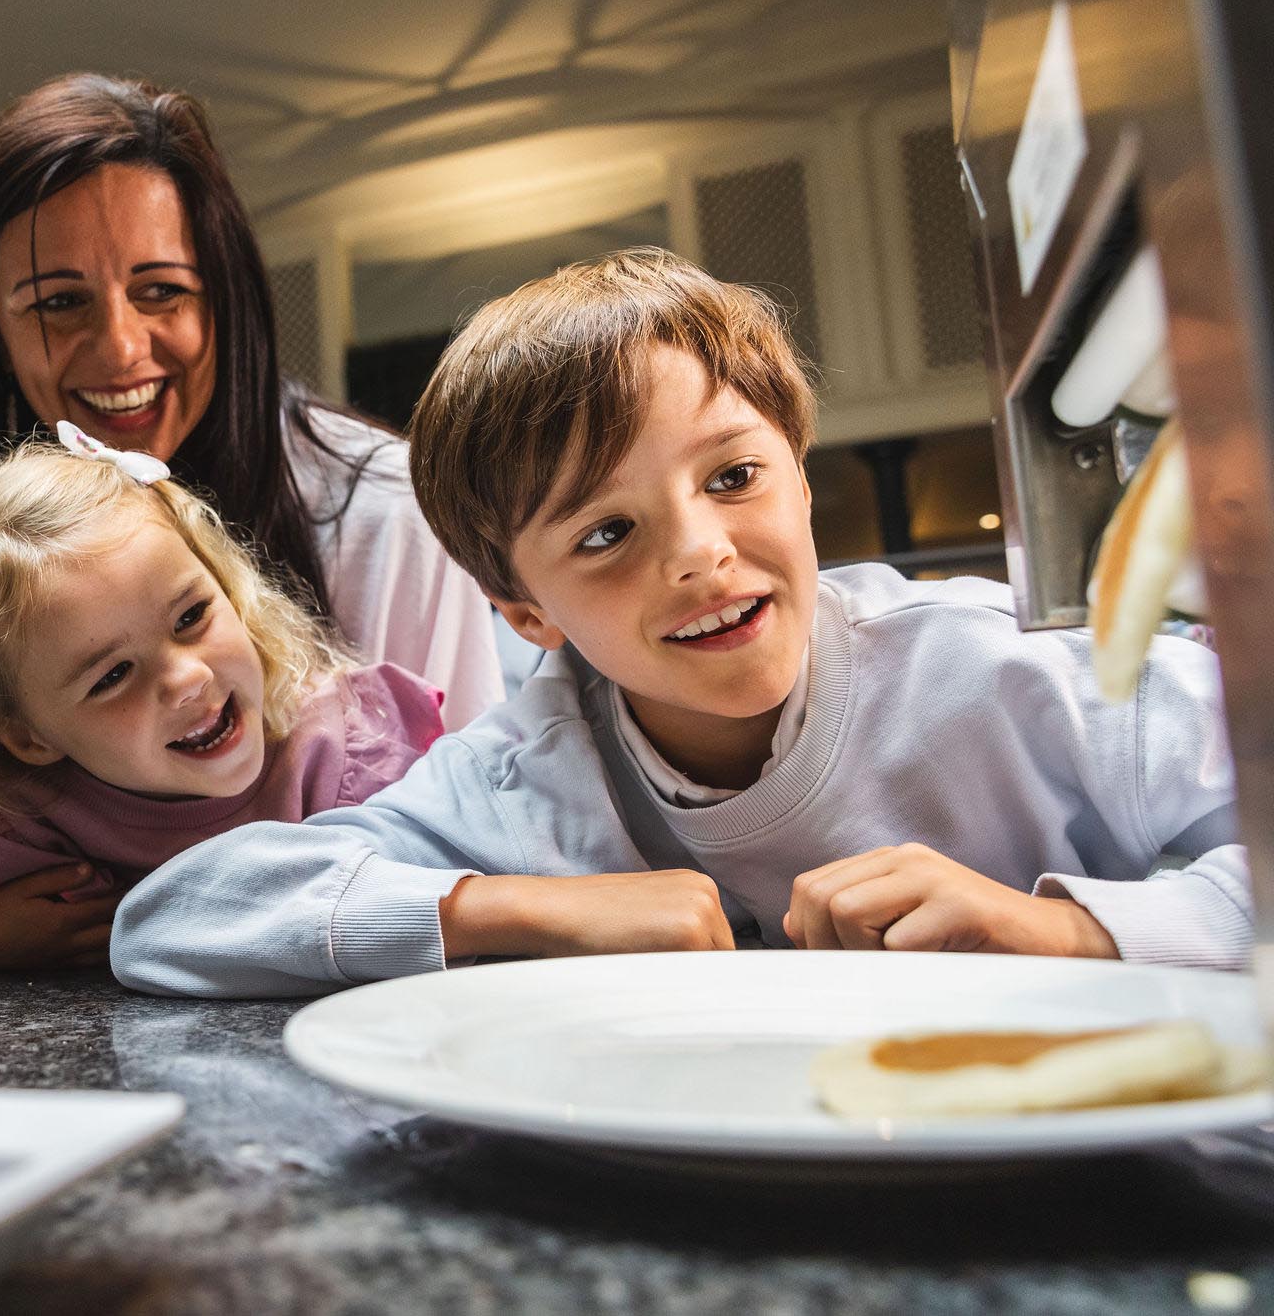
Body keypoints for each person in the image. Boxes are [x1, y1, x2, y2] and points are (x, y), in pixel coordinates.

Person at [110, 250, 1251, 998]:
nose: (698, 551)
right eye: (603, 535)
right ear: (522, 611)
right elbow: (175, 917)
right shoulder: (526, 777)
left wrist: (1069, 935)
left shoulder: (1013, 671)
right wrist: (524, 912)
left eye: (733, 476)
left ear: (800, 479)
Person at [0, 71, 502, 730]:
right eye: (59, 302)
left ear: (226, 295)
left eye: (161, 290)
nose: (120, 348)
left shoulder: (384, 516)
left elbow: (462, 816)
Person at [0, 424, 446, 972]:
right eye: (112, 676)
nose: (188, 678)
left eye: (191, 616)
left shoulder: (340, 755)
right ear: (29, 737)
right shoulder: (14, 809)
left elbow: (439, 897)